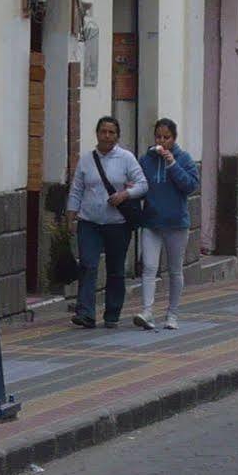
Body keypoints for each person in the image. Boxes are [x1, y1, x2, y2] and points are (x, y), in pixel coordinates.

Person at [65, 115, 147, 329]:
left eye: (111, 132)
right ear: (97, 134)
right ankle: (86, 313)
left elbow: (142, 184)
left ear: (117, 136)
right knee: (88, 265)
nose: (107, 136)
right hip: (89, 222)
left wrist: (125, 195)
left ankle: (112, 313)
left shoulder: (126, 158)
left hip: (117, 224)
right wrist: (71, 215)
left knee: (116, 269)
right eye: (103, 131)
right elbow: (77, 189)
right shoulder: (86, 159)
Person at [134, 118, 198, 330]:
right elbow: (139, 183)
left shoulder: (184, 158)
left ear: (174, 138)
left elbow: (190, 186)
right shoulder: (147, 159)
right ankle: (147, 311)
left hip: (176, 224)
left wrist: (172, 164)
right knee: (149, 267)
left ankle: (172, 314)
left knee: (174, 270)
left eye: (166, 137)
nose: (161, 141)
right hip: (151, 222)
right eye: (158, 137)